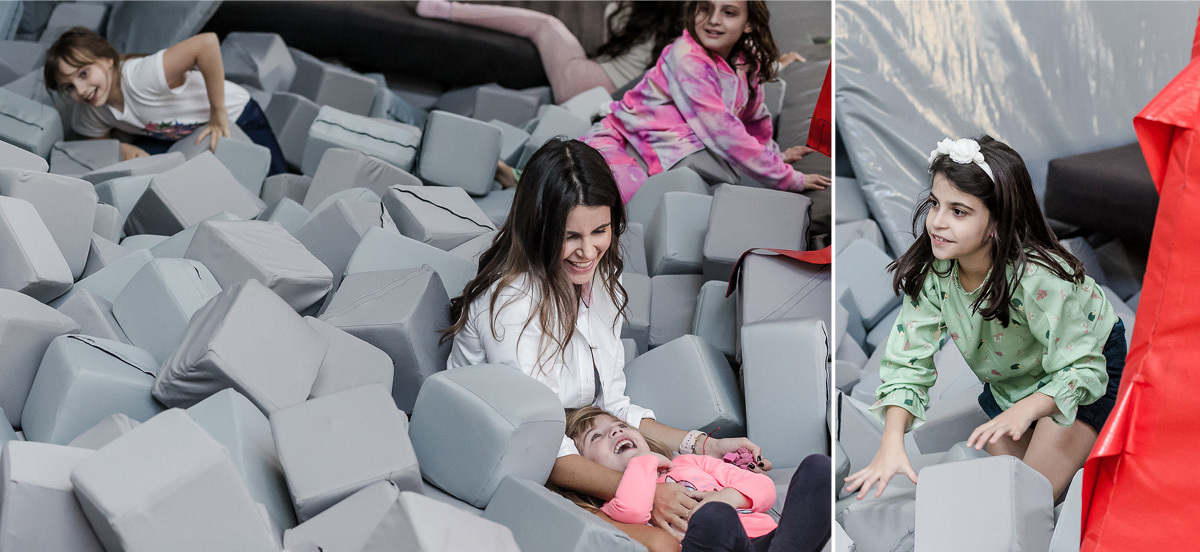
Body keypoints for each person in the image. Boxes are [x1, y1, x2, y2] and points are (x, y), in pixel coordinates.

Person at [445, 137, 771, 551]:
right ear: (538, 230)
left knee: (700, 503)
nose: (588, 252)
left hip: (576, 446)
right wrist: (648, 491)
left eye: (600, 231)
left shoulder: (595, 280)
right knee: (662, 543)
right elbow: (540, 444)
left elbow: (614, 405)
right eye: (570, 237)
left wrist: (707, 445)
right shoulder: (511, 307)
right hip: (511, 458)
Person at [843, 136, 1126, 503]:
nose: (937, 222)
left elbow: (1083, 366)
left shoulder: (1037, 279)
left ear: (996, 221)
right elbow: (907, 363)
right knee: (1009, 485)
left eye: (959, 212)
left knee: (1029, 498)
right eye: (935, 204)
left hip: (1082, 363)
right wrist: (891, 440)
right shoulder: (936, 275)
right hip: (1013, 379)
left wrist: (1026, 410)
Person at [581, 0, 830, 203]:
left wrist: (775, 157)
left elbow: (753, 120)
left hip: (663, 149)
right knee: (605, 199)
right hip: (622, 139)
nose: (714, 20)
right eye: (705, 9)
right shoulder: (686, 57)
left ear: (749, 23)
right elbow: (725, 131)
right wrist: (787, 178)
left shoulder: (746, 60)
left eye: (729, 12)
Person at [564, 406, 831, 552]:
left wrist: (726, 496)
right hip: (711, 545)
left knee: (819, 468)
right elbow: (633, 510)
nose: (615, 432)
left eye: (621, 426)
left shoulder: (687, 462)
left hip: (765, 541)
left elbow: (763, 488)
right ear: (585, 465)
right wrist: (643, 461)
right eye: (596, 437)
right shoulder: (613, 503)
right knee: (713, 517)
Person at [43, 27, 286, 174]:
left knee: (274, 178)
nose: (81, 90)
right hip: (184, 138)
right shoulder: (89, 110)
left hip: (237, 116)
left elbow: (207, 43)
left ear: (107, 59)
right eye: (69, 87)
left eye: (84, 73)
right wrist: (121, 148)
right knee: (140, 168)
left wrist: (218, 113)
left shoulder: (141, 76)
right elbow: (101, 150)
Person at [415, 1, 689, 104]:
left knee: (544, 25)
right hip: (614, 95)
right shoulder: (682, 30)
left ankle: (450, 10)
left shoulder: (630, 10)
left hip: (583, 85)